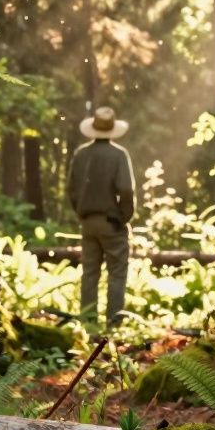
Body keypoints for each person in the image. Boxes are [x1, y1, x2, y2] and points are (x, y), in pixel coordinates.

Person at [67, 106, 135, 326]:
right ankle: (113, 325)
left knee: (89, 273)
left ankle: (88, 324)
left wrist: (82, 212)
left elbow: (71, 189)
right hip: (111, 222)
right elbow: (126, 190)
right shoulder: (118, 155)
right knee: (116, 272)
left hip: (88, 222)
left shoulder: (81, 154)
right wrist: (124, 216)